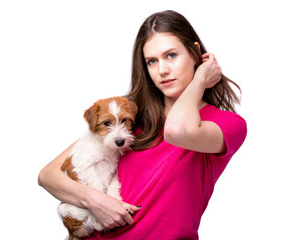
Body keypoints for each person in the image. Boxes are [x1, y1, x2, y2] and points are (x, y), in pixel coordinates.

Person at [38, 10, 247, 240]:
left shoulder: (226, 124)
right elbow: (48, 175)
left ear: (195, 53)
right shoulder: (129, 118)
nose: (162, 70)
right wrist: (97, 202)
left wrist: (200, 79)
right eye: (152, 61)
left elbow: (177, 131)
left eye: (171, 55)